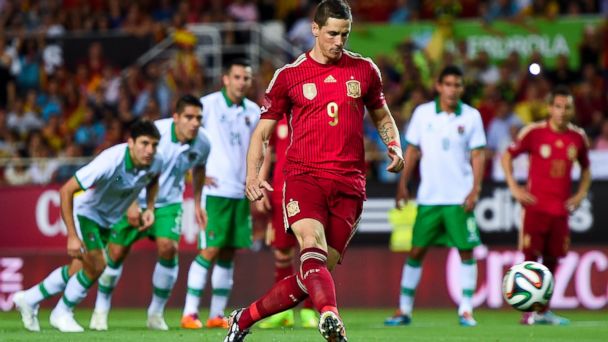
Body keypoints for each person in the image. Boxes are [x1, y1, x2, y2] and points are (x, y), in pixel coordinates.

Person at [225, 1, 404, 341]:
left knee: (314, 273)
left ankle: (243, 318)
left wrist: (393, 144)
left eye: (345, 34)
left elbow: (381, 115)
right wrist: (252, 175)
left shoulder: (365, 71)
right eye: (333, 34)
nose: (339, 41)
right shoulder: (290, 76)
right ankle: (331, 318)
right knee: (311, 244)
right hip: (304, 178)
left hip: (350, 184)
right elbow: (262, 133)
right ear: (315, 29)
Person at [13, 120, 163, 332]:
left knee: (78, 269)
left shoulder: (156, 161)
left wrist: (149, 207)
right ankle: (62, 312)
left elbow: (153, 179)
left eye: (154, 145)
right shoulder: (110, 160)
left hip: (108, 220)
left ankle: (29, 299)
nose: (150, 150)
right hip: (87, 213)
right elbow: (66, 190)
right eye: (144, 143)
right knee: (98, 265)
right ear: (131, 143)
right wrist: (72, 236)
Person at [88, 95, 211, 331]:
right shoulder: (156, 136)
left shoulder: (204, 143)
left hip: (169, 203)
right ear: (175, 118)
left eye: (198, 118)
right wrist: (132, 203)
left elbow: (199, 168)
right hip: (133, 197)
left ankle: (155, 313)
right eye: (189, 117)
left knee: (169, 247)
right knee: (115, 252)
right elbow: (126, 164)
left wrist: (196, 202)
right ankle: (100, 310)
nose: (195, 123)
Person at [385, 65, 486, 327]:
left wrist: (475, 189)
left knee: (466, 251)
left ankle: (466, 309)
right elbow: (413, 151)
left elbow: (478, 155)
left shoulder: (472, 117)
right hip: (429, 197)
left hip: (459, 198)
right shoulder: (423, 113)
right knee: (416, 251)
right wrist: (403, 184)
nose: (453, 90)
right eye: (449, 84)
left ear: (462, 88)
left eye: (458, 85)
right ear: (439, 86)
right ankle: (404, 309)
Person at [181, 59, 261, 330]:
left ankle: (216, 314)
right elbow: (188, 138)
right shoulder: (208, 106)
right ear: (226, 79)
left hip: (240, 193)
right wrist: (193, 176)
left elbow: (261, 147)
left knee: (228, 253)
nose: (242, 82)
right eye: (237, 77)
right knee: (210, 249)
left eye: (246, 78)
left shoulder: (253, 111)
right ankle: (189, 312)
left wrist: (257, 179)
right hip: (214, 193)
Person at [501, 86, 591, 325]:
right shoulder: (534, 133)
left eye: (567, 107)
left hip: (560, 211)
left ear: (572, 109)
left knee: (553, 259)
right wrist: (514, 187)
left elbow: (586, 169)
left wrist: (581, 194)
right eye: (558, 106)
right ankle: (528, 310)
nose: (562, 112)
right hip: (535, 208)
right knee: (530, 258)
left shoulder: (578, 138)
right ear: (550, 108)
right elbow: (507, 156)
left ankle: (543, 311)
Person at [256, 117, 318, 329]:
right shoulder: (278, 116)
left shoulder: (313, 110)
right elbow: (265, 150)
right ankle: (283, 312)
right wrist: (261, 183)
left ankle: (310, 309)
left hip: (310, 187)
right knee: (282, 253)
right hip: (281, 191)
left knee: (310, 249)